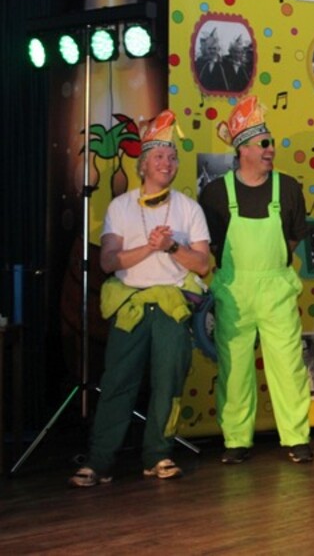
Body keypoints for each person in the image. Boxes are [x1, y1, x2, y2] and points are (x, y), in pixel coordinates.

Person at [69, 111, 211, 487]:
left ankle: (158, 455)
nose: (167, 163)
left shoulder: (189, 208)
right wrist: (150, 248)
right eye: (159, 156)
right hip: (131, 305)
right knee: (117, 383)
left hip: (171, 306)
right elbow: (108, 260)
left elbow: (203, 264)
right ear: (143, 164)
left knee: (169, 383)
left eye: (172, 157)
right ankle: (100, 462)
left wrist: (172, 246)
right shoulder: (121, 207)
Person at [198, 95, 314, 465]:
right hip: (234, 291)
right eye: (263, 143)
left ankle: (296, 437)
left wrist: (271, 271)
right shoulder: (215, 194)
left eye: (271, 142)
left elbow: (292, 240)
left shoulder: (289, 188)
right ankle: (236, 440)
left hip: (277, 288)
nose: (270, 149)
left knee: (289, 366)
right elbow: (211, 246)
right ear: (243, 149)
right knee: (234, 368)